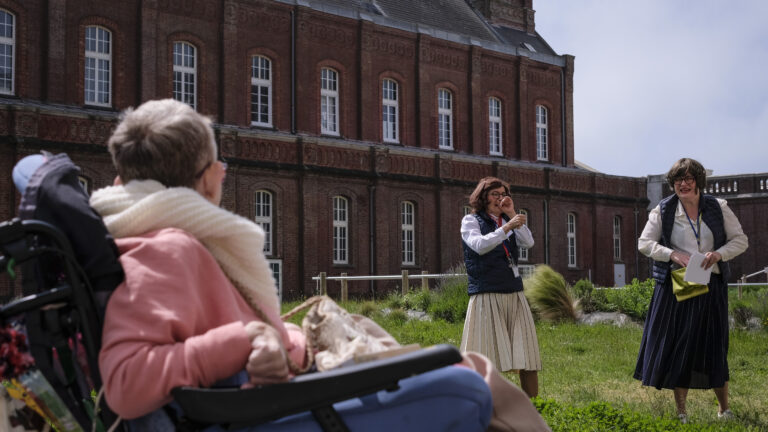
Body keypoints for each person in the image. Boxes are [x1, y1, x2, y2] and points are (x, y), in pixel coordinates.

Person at [91, 99, 550, 431]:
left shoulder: (161, 235)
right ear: (208, 177)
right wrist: (249, 336)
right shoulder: (165, 247)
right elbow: (127, 381)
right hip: (264, 410)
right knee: (470, 387)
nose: (223, 172)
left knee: (441, 359)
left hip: (267, 394)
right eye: (218, 163)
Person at [634, 158, 748, 424]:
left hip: (711, 286)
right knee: (680, 347)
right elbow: (644, 243)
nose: (683, 184)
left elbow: (740, 240)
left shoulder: (718, 207)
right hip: (677, 288)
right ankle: (682, 412)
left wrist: (719, 254)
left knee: (715, 345)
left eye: (688, 179)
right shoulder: (663, 210)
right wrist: (672, 254)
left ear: (699, 181)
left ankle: (724, 409)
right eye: (678, 180)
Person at [460, 177, 541, 398]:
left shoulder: (509, 220)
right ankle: (484, 407)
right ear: (483, 197)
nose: (500, 198)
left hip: (513, 292)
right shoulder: (471, 221)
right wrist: (506, 227)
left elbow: (528, 242)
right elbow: (479, 245)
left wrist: (512, 214)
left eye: (504, 193)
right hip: (487, 294)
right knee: (485, 357)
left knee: (527, 354)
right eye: (495, 194)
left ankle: (535, 409)